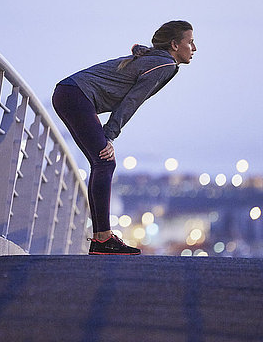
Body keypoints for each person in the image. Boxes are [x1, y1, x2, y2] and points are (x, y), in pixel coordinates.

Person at [52, 20, 196, 255]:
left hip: (69, 93)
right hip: (75, 95)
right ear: (174, 44)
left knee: (101, 163)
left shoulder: (155, 59)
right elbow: (132, 101)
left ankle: (101, 239)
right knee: (105, 161)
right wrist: (110, 136)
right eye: (190, 42)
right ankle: (102, 239)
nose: (194, 48)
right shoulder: (165, 65)